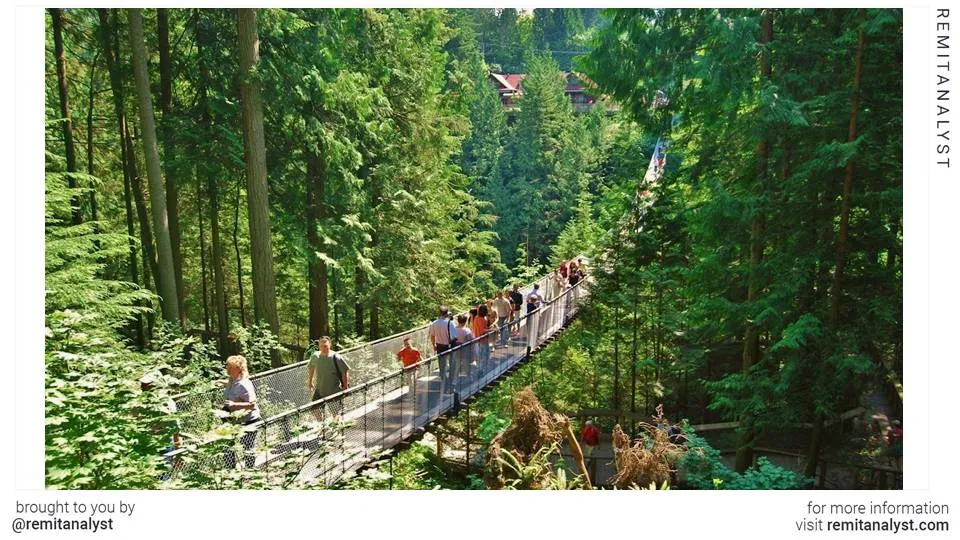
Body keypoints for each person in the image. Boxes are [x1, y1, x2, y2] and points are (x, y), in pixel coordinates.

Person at [222, 355, 262, 469]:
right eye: (227, 365)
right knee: (227, 444)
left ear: (238, 368)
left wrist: (234, 404)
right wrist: (222, 382)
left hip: (248, 420)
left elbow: (252, 404)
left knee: (248, 446)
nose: (227, 368)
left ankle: (250, 470)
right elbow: (232, 385)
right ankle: (230, 469)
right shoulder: (232, 380)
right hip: (234, 419)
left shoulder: (245, 384)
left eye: (230, 366)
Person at [306, 336, 351, 417]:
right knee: (315, 410)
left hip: (334, 391)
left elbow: (344, 371)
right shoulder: (315, 356)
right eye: (321, 346)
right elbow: (311, 367)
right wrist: (310, 381)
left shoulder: (336, 357)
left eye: (325, 346)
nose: (323, 348)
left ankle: (335, 427)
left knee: (335, 414)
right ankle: (322, 426)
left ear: (329, 345)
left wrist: (345, 386)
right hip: (320, 390)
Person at [428, 305, 458, 393]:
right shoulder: (450, 323)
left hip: (439, 346)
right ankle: (451, 384)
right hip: (450, 346)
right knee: (452, 365)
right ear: (447, 312)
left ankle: (445, 384)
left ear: (439, 312)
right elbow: (453, 337)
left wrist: (434, 345)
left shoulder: (434, 323)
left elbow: (432, 336)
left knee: (442, 367)